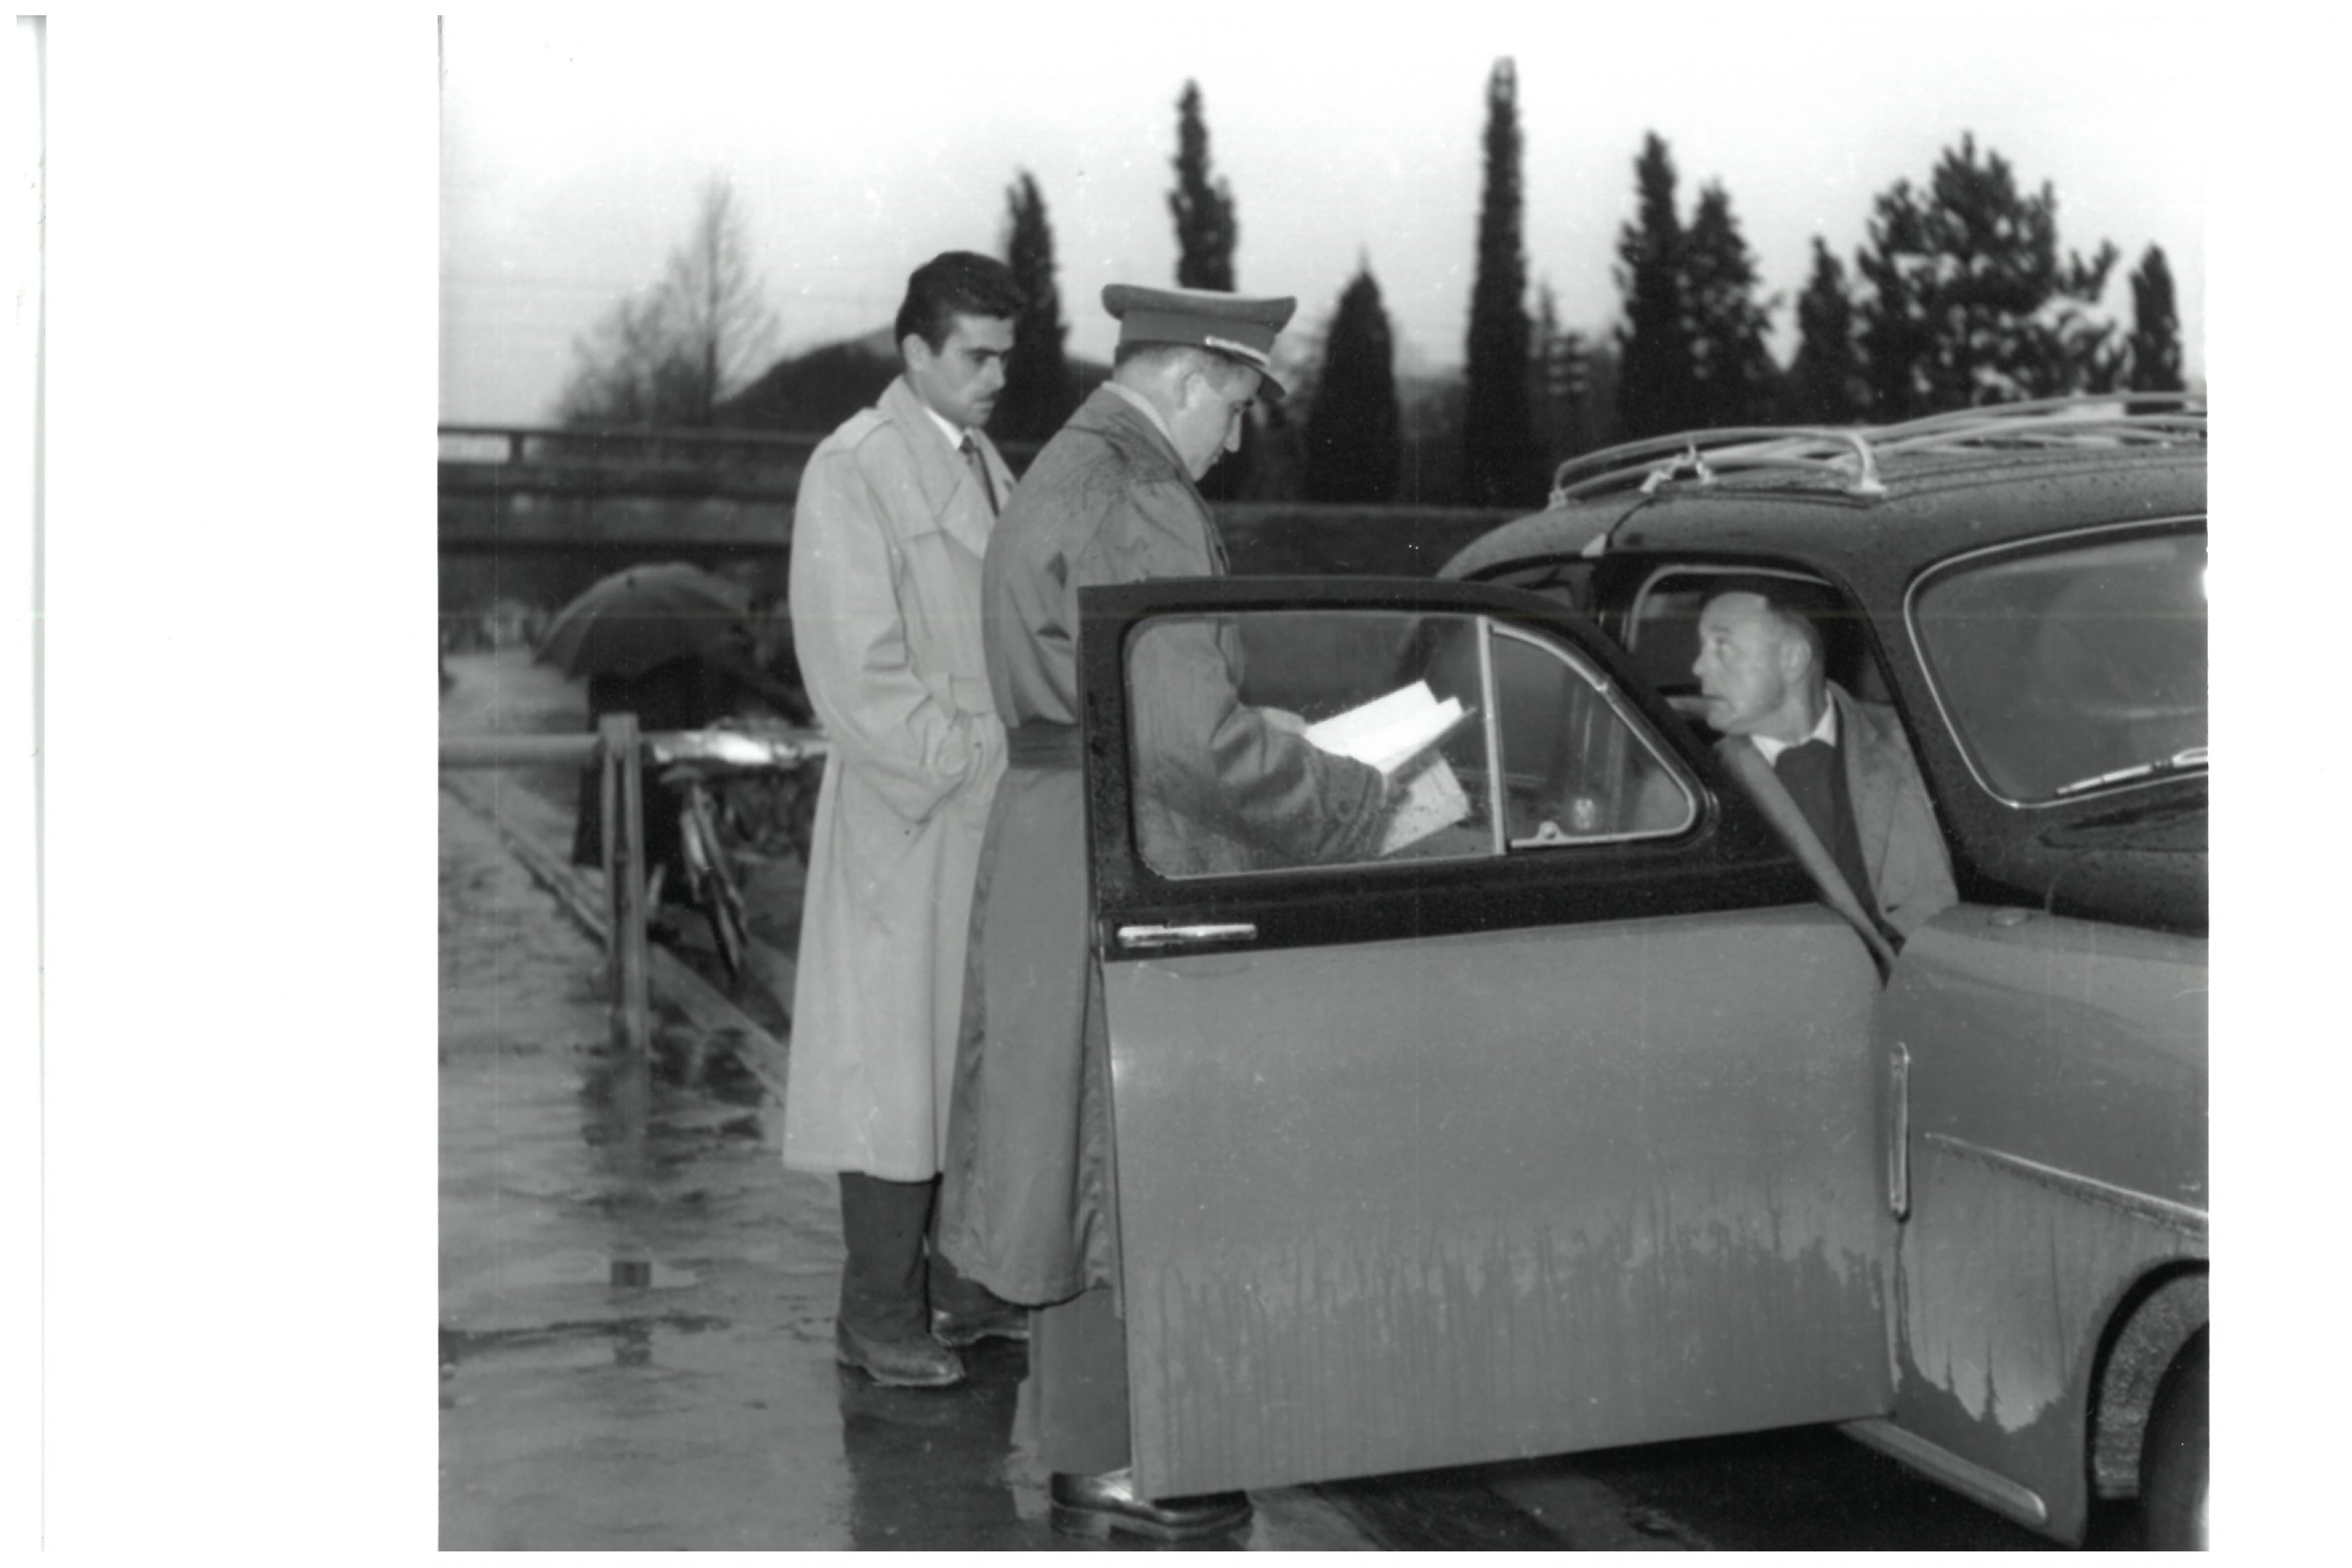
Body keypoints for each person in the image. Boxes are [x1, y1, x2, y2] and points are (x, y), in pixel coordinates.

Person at [938, 283, 1392, 1543]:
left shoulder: (1066, 469)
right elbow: (1188, 741)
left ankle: (1099, 1450)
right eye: (1235, 407)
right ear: (1188, 380)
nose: (1234, 441)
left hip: (1055, 832)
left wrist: (1253, 728)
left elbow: (1131, 700)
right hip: (1116, 846)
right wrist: (1348, 802)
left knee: (1073, 1153)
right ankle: (1126, 1459)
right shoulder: (1141, 493)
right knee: (1118, 1162)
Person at [782, 252, 1030, 1391]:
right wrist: (971, 756)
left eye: (1005, 356)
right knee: (895, 1072)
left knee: (970, 1061)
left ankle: (962, 1285)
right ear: (913, 351)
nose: (995, 377)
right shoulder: (855, 468)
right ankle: (876, 1311)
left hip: (980, 809)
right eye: (975, 355)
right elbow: (855, 675)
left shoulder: (983, 463)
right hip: (910, 812)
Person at [1692, 581, 1957, 950]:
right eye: (1703, 648)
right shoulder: (1693, 790)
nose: (1699, 667)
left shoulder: (1919, 744)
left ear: (1793, 659)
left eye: (1722, 646)